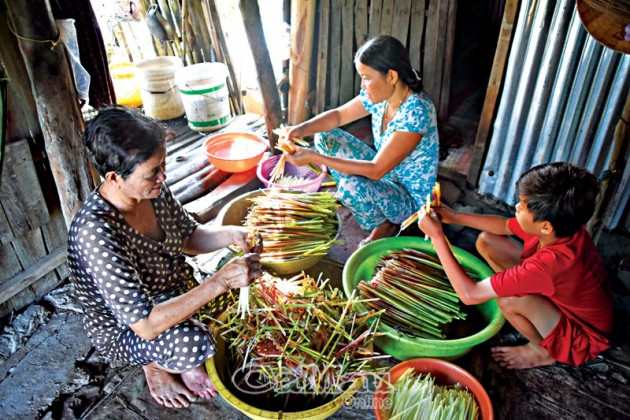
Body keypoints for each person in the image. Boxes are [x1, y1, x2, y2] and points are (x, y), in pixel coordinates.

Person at [67, 107, 263, 408]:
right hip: (128, 327)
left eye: (162, 165)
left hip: (175, 288)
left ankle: (174, 350)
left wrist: (232, 234)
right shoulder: (96, 234)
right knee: (194, 343)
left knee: (247, 295)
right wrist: (219, 282)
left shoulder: (152, 190)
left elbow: (188, 237)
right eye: (152, 172)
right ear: (114, 178)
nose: (163, 176)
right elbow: (144, 324)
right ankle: (155, 367)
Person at [417, 162, 613, 369]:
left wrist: (437, 237)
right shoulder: (564, 227)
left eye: (522, 205)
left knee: (509, 300)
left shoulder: (550, 265)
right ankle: (522, 300)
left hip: (581, 337)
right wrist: (454, 216)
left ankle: (542, 351)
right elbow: (503, 225)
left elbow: (469, 294)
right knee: (488, 241)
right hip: (561, 296)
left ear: (545, 226)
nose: (517, 207)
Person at [284, 35, 439, 246]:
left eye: (366, 77)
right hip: (388, 175)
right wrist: (299, 129)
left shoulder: (416, 112)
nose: (363, 85)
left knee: (350, 186)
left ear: (391, 76)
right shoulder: (380, 97)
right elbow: (338, 116)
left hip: (411, 200)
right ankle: (372, 207)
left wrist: (314, 156)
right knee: (325, 136)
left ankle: (384, 223)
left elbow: (376, 170)